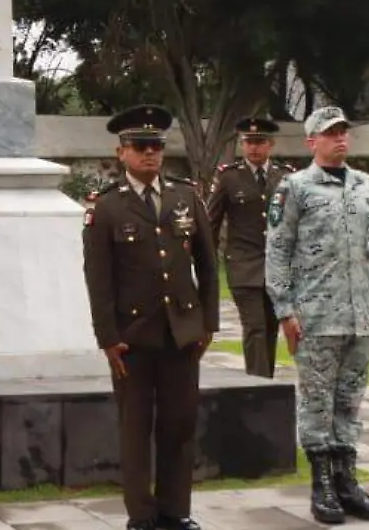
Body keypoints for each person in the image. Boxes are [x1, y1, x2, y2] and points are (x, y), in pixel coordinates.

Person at [80, 105, 219, 530]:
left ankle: (176, 510)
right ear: (121, 153)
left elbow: (208, 266)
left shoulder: (185, 196)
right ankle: (141, 515)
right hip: (133, 337)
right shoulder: (105, 207)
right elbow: (98, 279)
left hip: (181, 332)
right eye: (140, 147)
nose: (150, 155)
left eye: (156, 146)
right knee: (136, 429)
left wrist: (208, 323)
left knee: (179, 425)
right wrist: (107, 337)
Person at [266, 107, 369, 525]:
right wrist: (285, 310)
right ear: (312, 142)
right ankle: (321, 485)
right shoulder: (295, 188)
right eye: (330, 133)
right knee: (318, 403)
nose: (340, 139)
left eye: (344, 132)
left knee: (350, 402)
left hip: (361, 316)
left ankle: (347, 482)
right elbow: (278, 252)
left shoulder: (367, 187)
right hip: (317, 316)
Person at [207, 115, 297, 378]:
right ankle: (258, 387)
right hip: (243, 266)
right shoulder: (228, 178)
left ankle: (263, 382)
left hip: (277, 266)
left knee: (270, 327)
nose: (253, 148)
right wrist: (206, 263)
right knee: (255, 326)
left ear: (270, 144)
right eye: (248, 142)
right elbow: (211, 223)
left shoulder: (286, 177)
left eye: (259, 142)